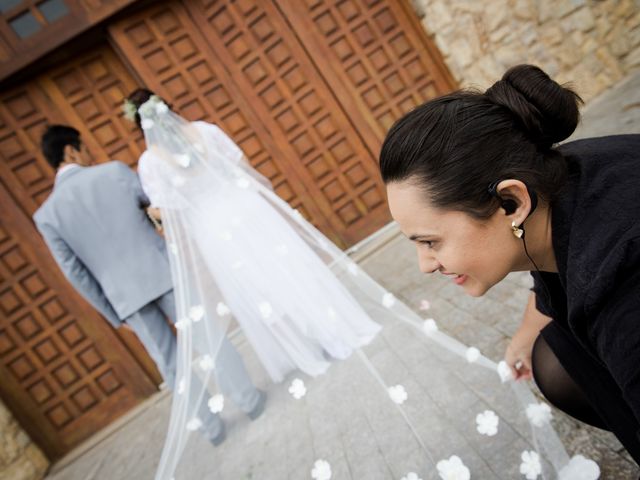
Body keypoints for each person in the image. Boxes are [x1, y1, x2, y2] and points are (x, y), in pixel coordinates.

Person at [379, 64, 640, 463]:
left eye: (430, 242)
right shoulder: (561, 172)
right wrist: (523, 332)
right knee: (551, 353)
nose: (425, 266)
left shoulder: (625, 300)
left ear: (511, 202)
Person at [33, 125, 266, 446]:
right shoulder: (113, 172)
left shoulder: (47, 216)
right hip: (164, 272)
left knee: (171, 364)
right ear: (71, 151)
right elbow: (156, 204)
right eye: (84, 148)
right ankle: (249, 400)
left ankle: (212, 429)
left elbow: (76, 274)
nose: (89, 154)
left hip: (125, 300)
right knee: (207, 337)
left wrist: (114, 315)